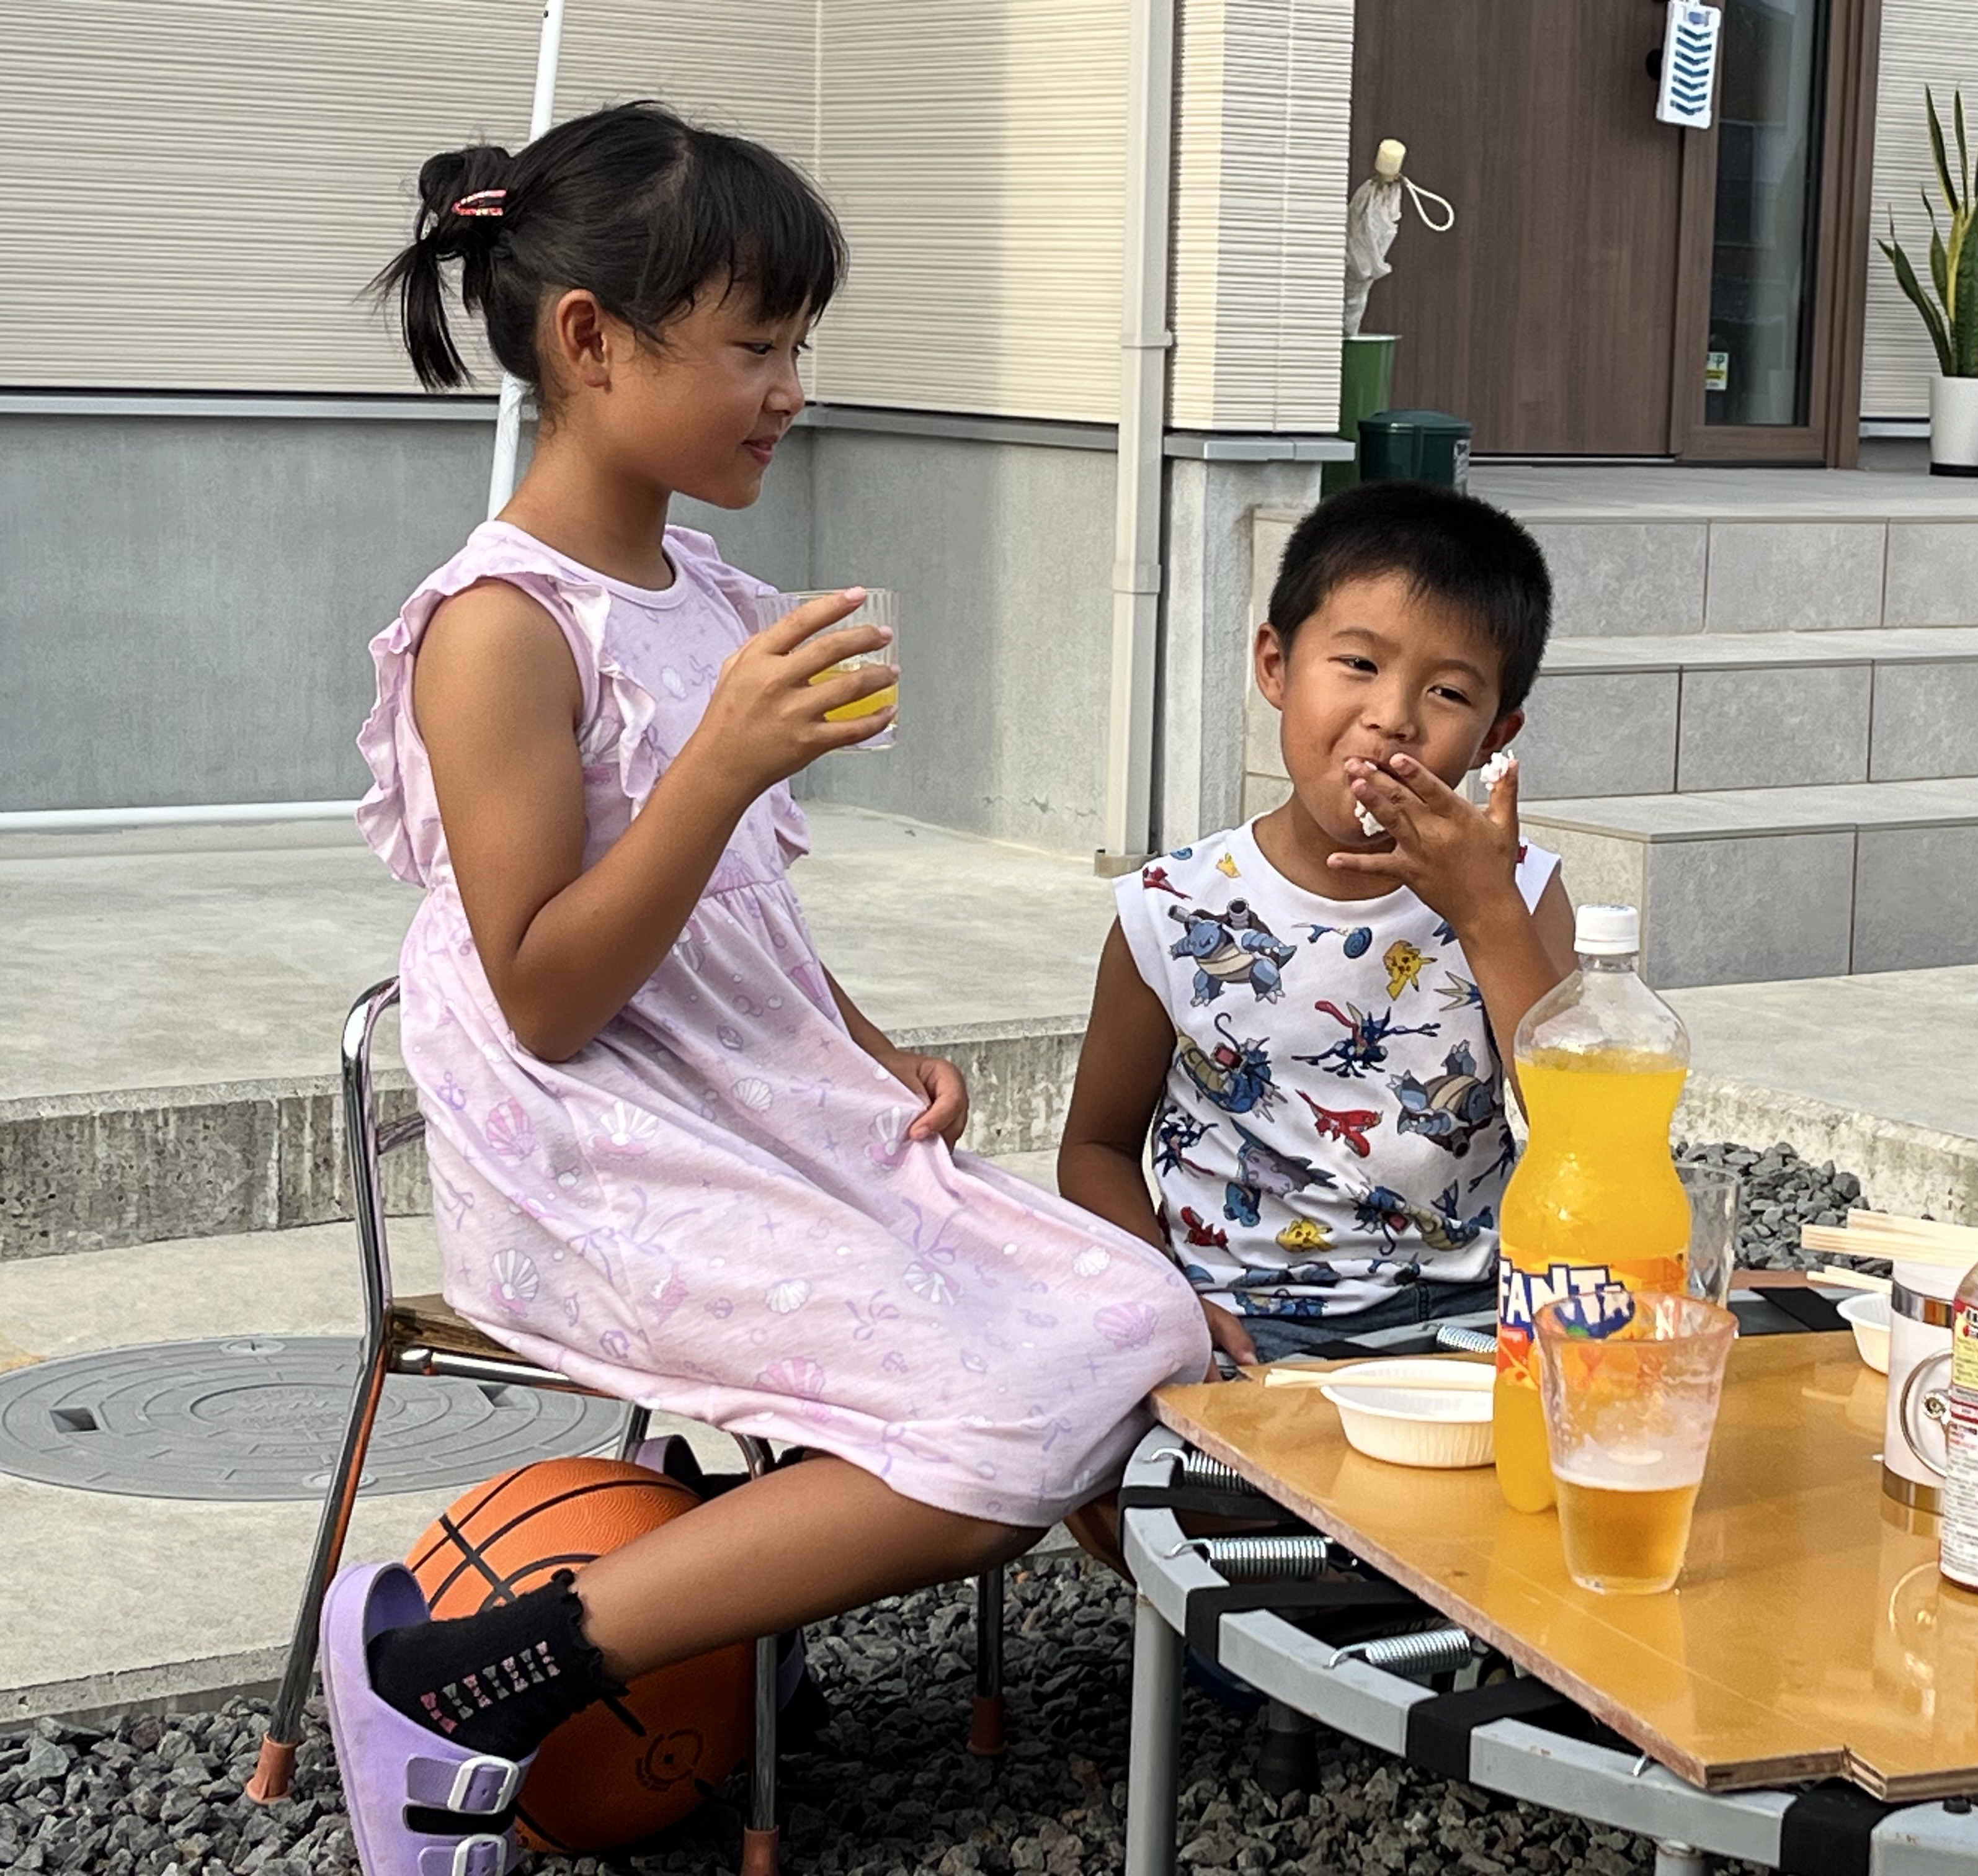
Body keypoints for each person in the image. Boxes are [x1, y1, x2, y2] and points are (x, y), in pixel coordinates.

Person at [324, 104, 1208, 1870]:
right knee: (1001, 1418)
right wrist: (718, 762)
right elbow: (544, 994)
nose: (793, 391)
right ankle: (468, 1677)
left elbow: (740, 923)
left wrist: (871, 1051)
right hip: (590, 1141)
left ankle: (715, 1601)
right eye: (755, 346)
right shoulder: (498, 629)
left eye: (800, 345)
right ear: (592, 341)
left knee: (1137, 1315)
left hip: (740, 1094)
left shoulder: (710, 597)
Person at [1058, 481, 1574, 1365]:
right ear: (1275, 665)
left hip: (1471, 1311)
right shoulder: (1172, 906)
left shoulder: (1518, 891)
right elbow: (1096, 1147)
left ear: (1498, 733)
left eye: (1448, 692)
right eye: (1359, 664)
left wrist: (1486, 911)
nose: (1392, 718)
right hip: (1242, 1319)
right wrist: (1165, 1297)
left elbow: (1580, 1133)